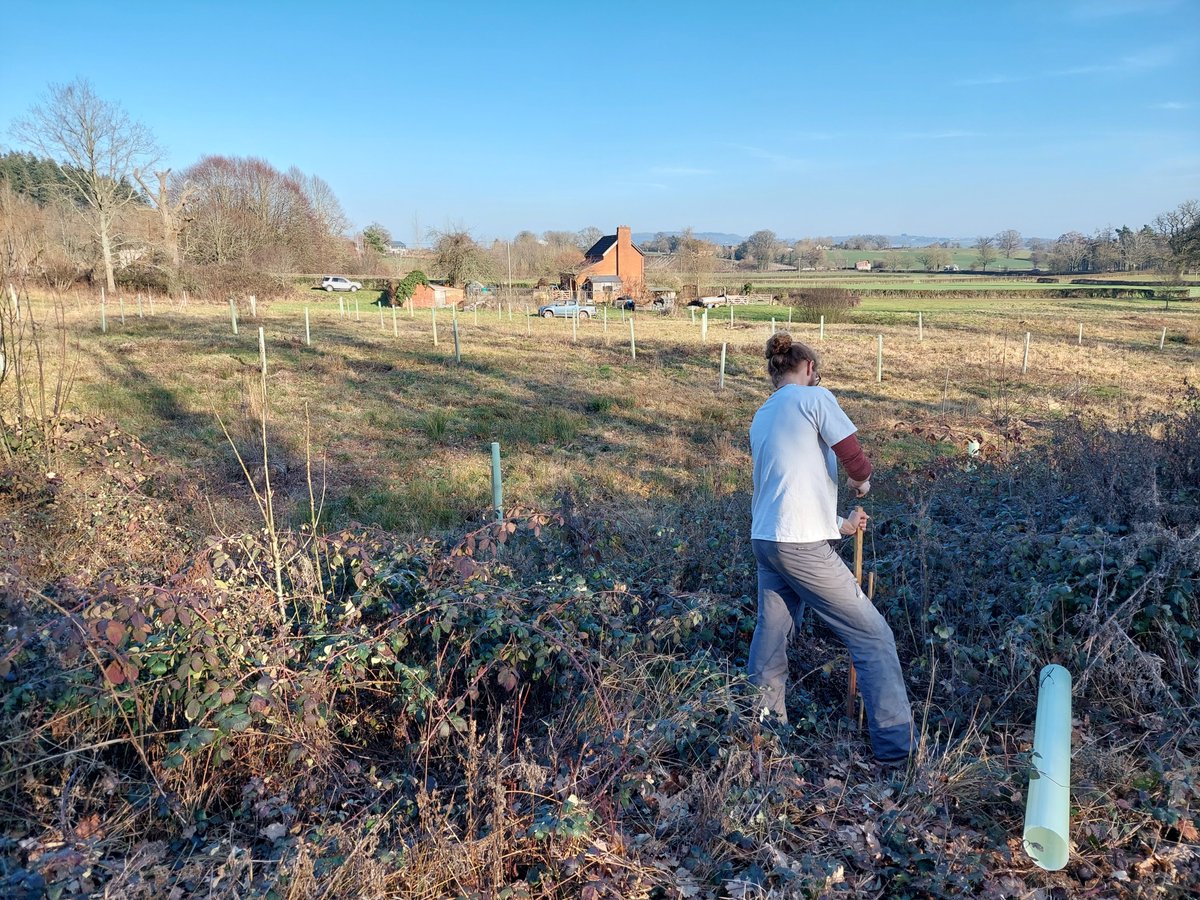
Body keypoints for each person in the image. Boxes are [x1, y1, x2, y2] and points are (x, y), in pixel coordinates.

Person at [746, 332, 914, 765]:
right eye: (814, 371)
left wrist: (839, 524)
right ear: (806, 369)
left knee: (770, 643)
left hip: (767, 541)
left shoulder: (762, 415)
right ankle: (897, 757)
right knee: (873, 636)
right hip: (799, 545)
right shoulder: (814, 398)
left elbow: (790, 487)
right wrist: (861, 482)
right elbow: (853, 455)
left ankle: (765, 746)